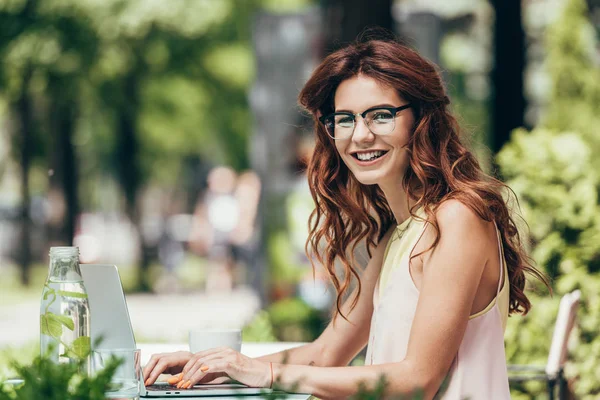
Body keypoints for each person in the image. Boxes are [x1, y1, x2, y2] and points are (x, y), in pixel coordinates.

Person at [143, 38, 548, 399]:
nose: (360, 135)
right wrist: (211, 368)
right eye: (346, 119)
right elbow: (325, 354)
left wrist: (260, 373)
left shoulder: (457, 218)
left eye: (381, 115)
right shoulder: (400, 234)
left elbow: (417, 380)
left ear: (421, 119)